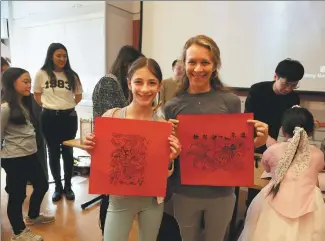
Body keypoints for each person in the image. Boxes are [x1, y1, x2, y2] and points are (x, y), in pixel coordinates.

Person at [164, 35, 269, 241]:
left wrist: (258, 142)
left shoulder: (230, 102)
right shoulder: (172, 106)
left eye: (205, 62)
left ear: (215, 65)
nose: (198, 68)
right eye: (192, 62)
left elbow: (236, 148)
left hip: (221, 192)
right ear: (183, 64)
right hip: (184, 192)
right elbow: (169, 154)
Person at [84, 57, 182, 241]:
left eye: (151, 83)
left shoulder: (163, 126)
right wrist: (93, 151)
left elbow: (163, 174)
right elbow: (104, 162)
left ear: (159, 86)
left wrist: (171, 158)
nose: (145, 89)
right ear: (129, 84)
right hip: (120, 199)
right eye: (138, 82)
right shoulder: (112, 118)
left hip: (152, 201)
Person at [238, 106, 325, 241]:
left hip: (274, 199)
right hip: (309, 204)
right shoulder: (318, 154)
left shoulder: (273, 150)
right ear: (310, 131)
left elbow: (266, 169)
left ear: (283, 130)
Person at [92, 45, 143, 235]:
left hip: (120, 151)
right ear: (126, 64)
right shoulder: (108, 83)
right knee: (110, 197)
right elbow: (114, 125)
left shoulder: (119, 85)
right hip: (111, 150)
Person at [1, 68, 54, 241]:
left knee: (42, 184)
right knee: (17, 196)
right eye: (25, 81)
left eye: (30, 81)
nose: (29, 85)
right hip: (14, 159)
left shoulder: (24, 104)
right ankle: (18, 232)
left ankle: (33, 215)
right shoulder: (5, 108)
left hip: (30, 155)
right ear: (11, 83)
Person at [244, 58, 304, 212]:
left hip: (275, 142)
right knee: (254, 182)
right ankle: (250, 211)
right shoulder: (257, 90)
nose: (288, 89)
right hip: (254, 139)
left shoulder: (293, 98)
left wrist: (290, 138)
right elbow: (249, 119)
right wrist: (266, 138)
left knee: (273, 179)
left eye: (293, 85)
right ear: (275, 76)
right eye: (285, 84)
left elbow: (291, 122)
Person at [33, 43, 83, 202]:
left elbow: (78, 95)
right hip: (49, 118)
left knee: (68, 153)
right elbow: (37, 94)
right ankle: (58, 187)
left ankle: (68, 187)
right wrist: (50, 107)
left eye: (64, 56)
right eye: (58, 55)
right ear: (51, 56)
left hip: (68, 118)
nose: (62, 59)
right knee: (53, 153)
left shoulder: (72, 75)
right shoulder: (41, 74)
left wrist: (65, 106)